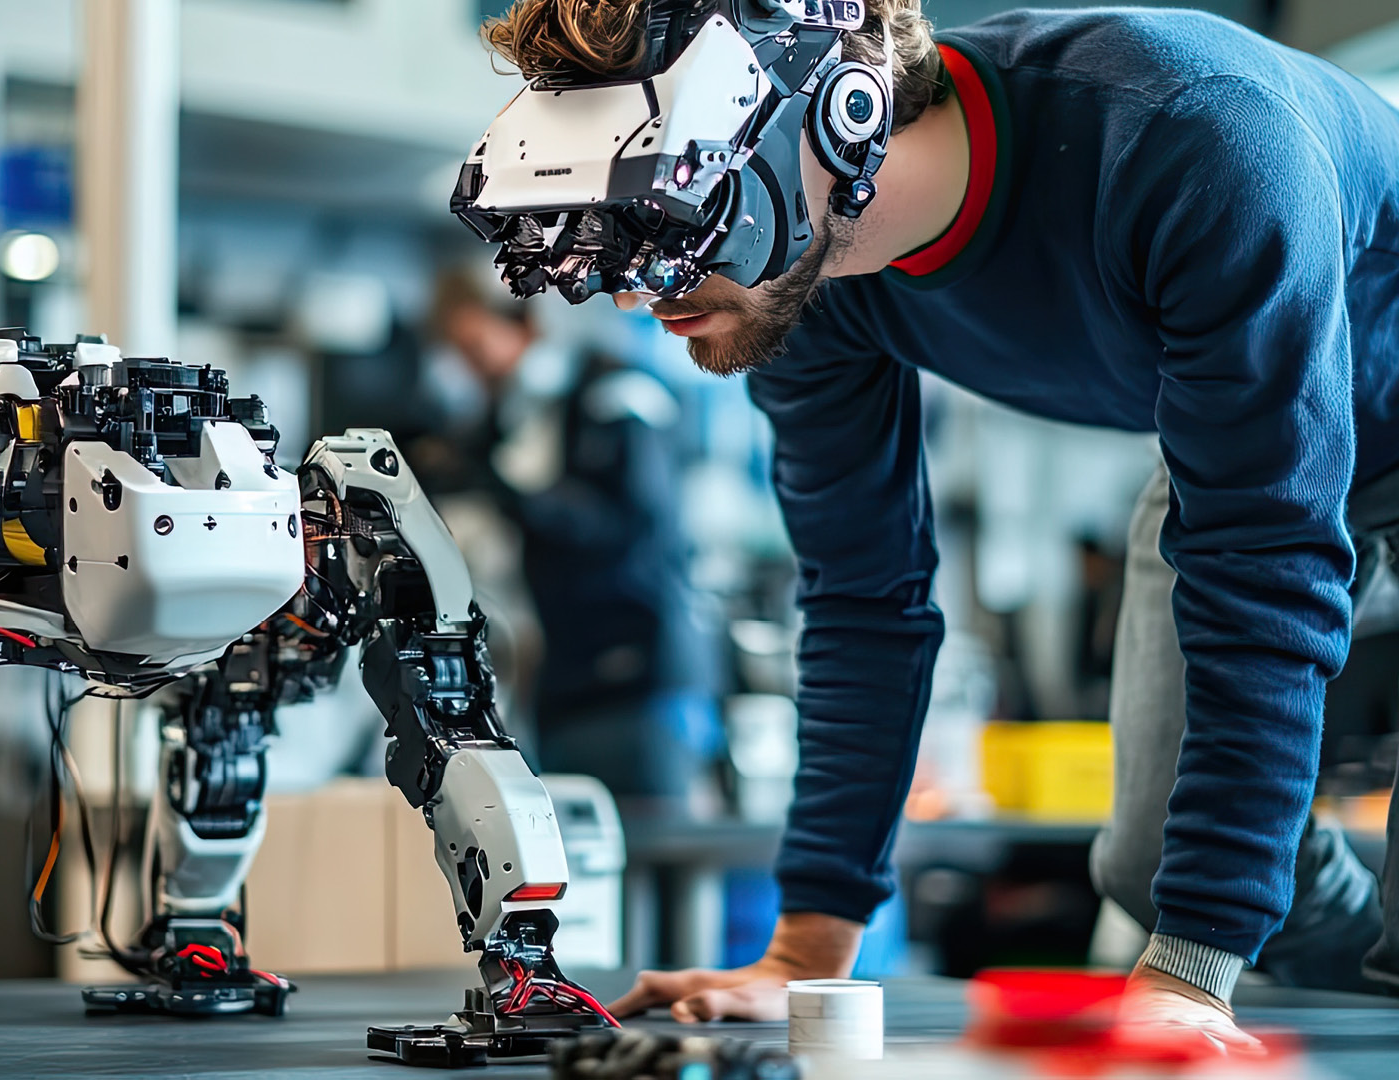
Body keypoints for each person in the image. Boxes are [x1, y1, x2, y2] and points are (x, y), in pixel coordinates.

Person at [478, 0, 1399, 1053]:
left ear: (840, 116)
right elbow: (864, 596)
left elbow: (1266, 557)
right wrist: (807, 959)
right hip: (1252, 457)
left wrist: (1190, 971)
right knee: (1152, 864)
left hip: (1290, 460)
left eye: (674, 213)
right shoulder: (801, 264)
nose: (646, 290)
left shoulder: (1193, 133)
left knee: (1218, 925)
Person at [425, 270, 724, 816]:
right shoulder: (510, 416)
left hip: (636, 679)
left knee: (647, 866)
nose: (473, 368)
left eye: (476, 346)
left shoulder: (619, 393)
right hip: (563, 678)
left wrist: (504, 491)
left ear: (524, 323)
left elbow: (623, 527)